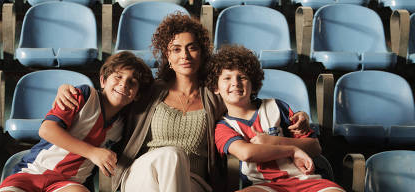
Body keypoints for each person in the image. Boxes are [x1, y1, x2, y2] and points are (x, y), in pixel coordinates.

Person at [53, 13, 311, 192]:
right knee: (171, 155)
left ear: (202, 52)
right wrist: (68, 89)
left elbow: (248, 105)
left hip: (194, 182)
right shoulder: (147, 92)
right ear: (167, 55)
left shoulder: (216, 95)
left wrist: (298, 117)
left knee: (175, 161)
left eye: (192, 48)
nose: (184, 55)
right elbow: (113, 95)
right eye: (176, 49)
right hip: (141, 176)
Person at [0, 51, 154, 192]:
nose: (124, 84)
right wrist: (92, 152)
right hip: (33, 172)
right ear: (103, 81)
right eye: (118, 76)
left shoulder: (124, 124)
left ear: (137, 95)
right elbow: (46, 130)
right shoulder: (83, 95)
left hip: (68, 184)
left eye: (132, 82)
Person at [207, 45, 344, 192]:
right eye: (227, 78)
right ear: (216, 87)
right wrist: (291, 149)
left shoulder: (277, 107)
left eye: (242, 77)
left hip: (307, 181)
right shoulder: (223, 127)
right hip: (265, 186)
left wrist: (273, 141)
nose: (235, 82)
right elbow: (246, 153)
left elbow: (315, 147)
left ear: (253, 84)